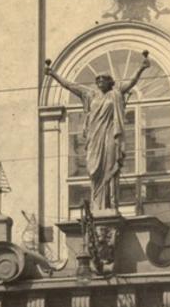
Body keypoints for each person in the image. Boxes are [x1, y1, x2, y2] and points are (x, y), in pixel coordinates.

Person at [45, 53, 150, 210]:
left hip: (109, 135)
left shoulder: (115, 93)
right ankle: (97, 205)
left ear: (110, 82)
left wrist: (141, 68)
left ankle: (110, 204)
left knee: (110, 168)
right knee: (94, 172)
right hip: (94, 138)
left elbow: (131, 82)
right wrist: (53, 74)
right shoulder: (89, 94)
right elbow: (68, 85)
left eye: (103, 79)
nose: (100, 81)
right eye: (98, 79)